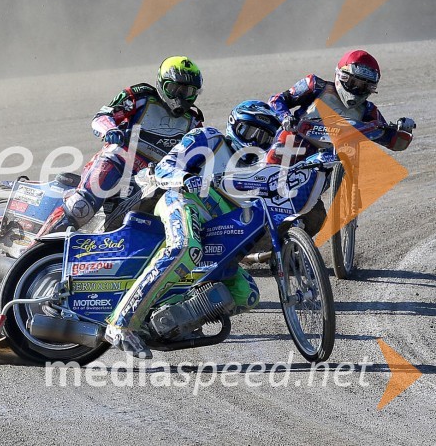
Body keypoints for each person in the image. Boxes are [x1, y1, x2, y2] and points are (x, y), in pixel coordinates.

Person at [104, 100, 281, 358]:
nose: (254, 141)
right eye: (250, 132)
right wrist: (186, 178)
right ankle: (121, 323)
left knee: (247, 295)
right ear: (234, 125)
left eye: (263, 137)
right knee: (186, 247)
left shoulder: (262, 170)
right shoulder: (209, 138)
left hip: (216, 233)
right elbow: (165, 167)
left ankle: (167, 321)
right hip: (182, 201)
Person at [38, 56, 205, 236]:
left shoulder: (194, 121)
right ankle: (33, 250)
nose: (180, 97)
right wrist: (110, 130)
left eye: (188, 91)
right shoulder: (140, 97)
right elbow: (102, 116)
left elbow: (200, 154)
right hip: (117, 162)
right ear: (161, 84)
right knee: (81, 207)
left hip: (153, 179)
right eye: (174, 89)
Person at [266, 49, 415, 235]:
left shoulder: (369, 111)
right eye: (353, 83)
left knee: (315, 220)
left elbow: (393, 141)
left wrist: (405, 130)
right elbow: (278, 99)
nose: (357, 90)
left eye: (364, 86)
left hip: (326, 162)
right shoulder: (315, 85)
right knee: (281, 152)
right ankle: (257, 191)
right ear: (341, 76)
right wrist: (285, 117)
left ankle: (288, 246)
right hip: (294, 144)